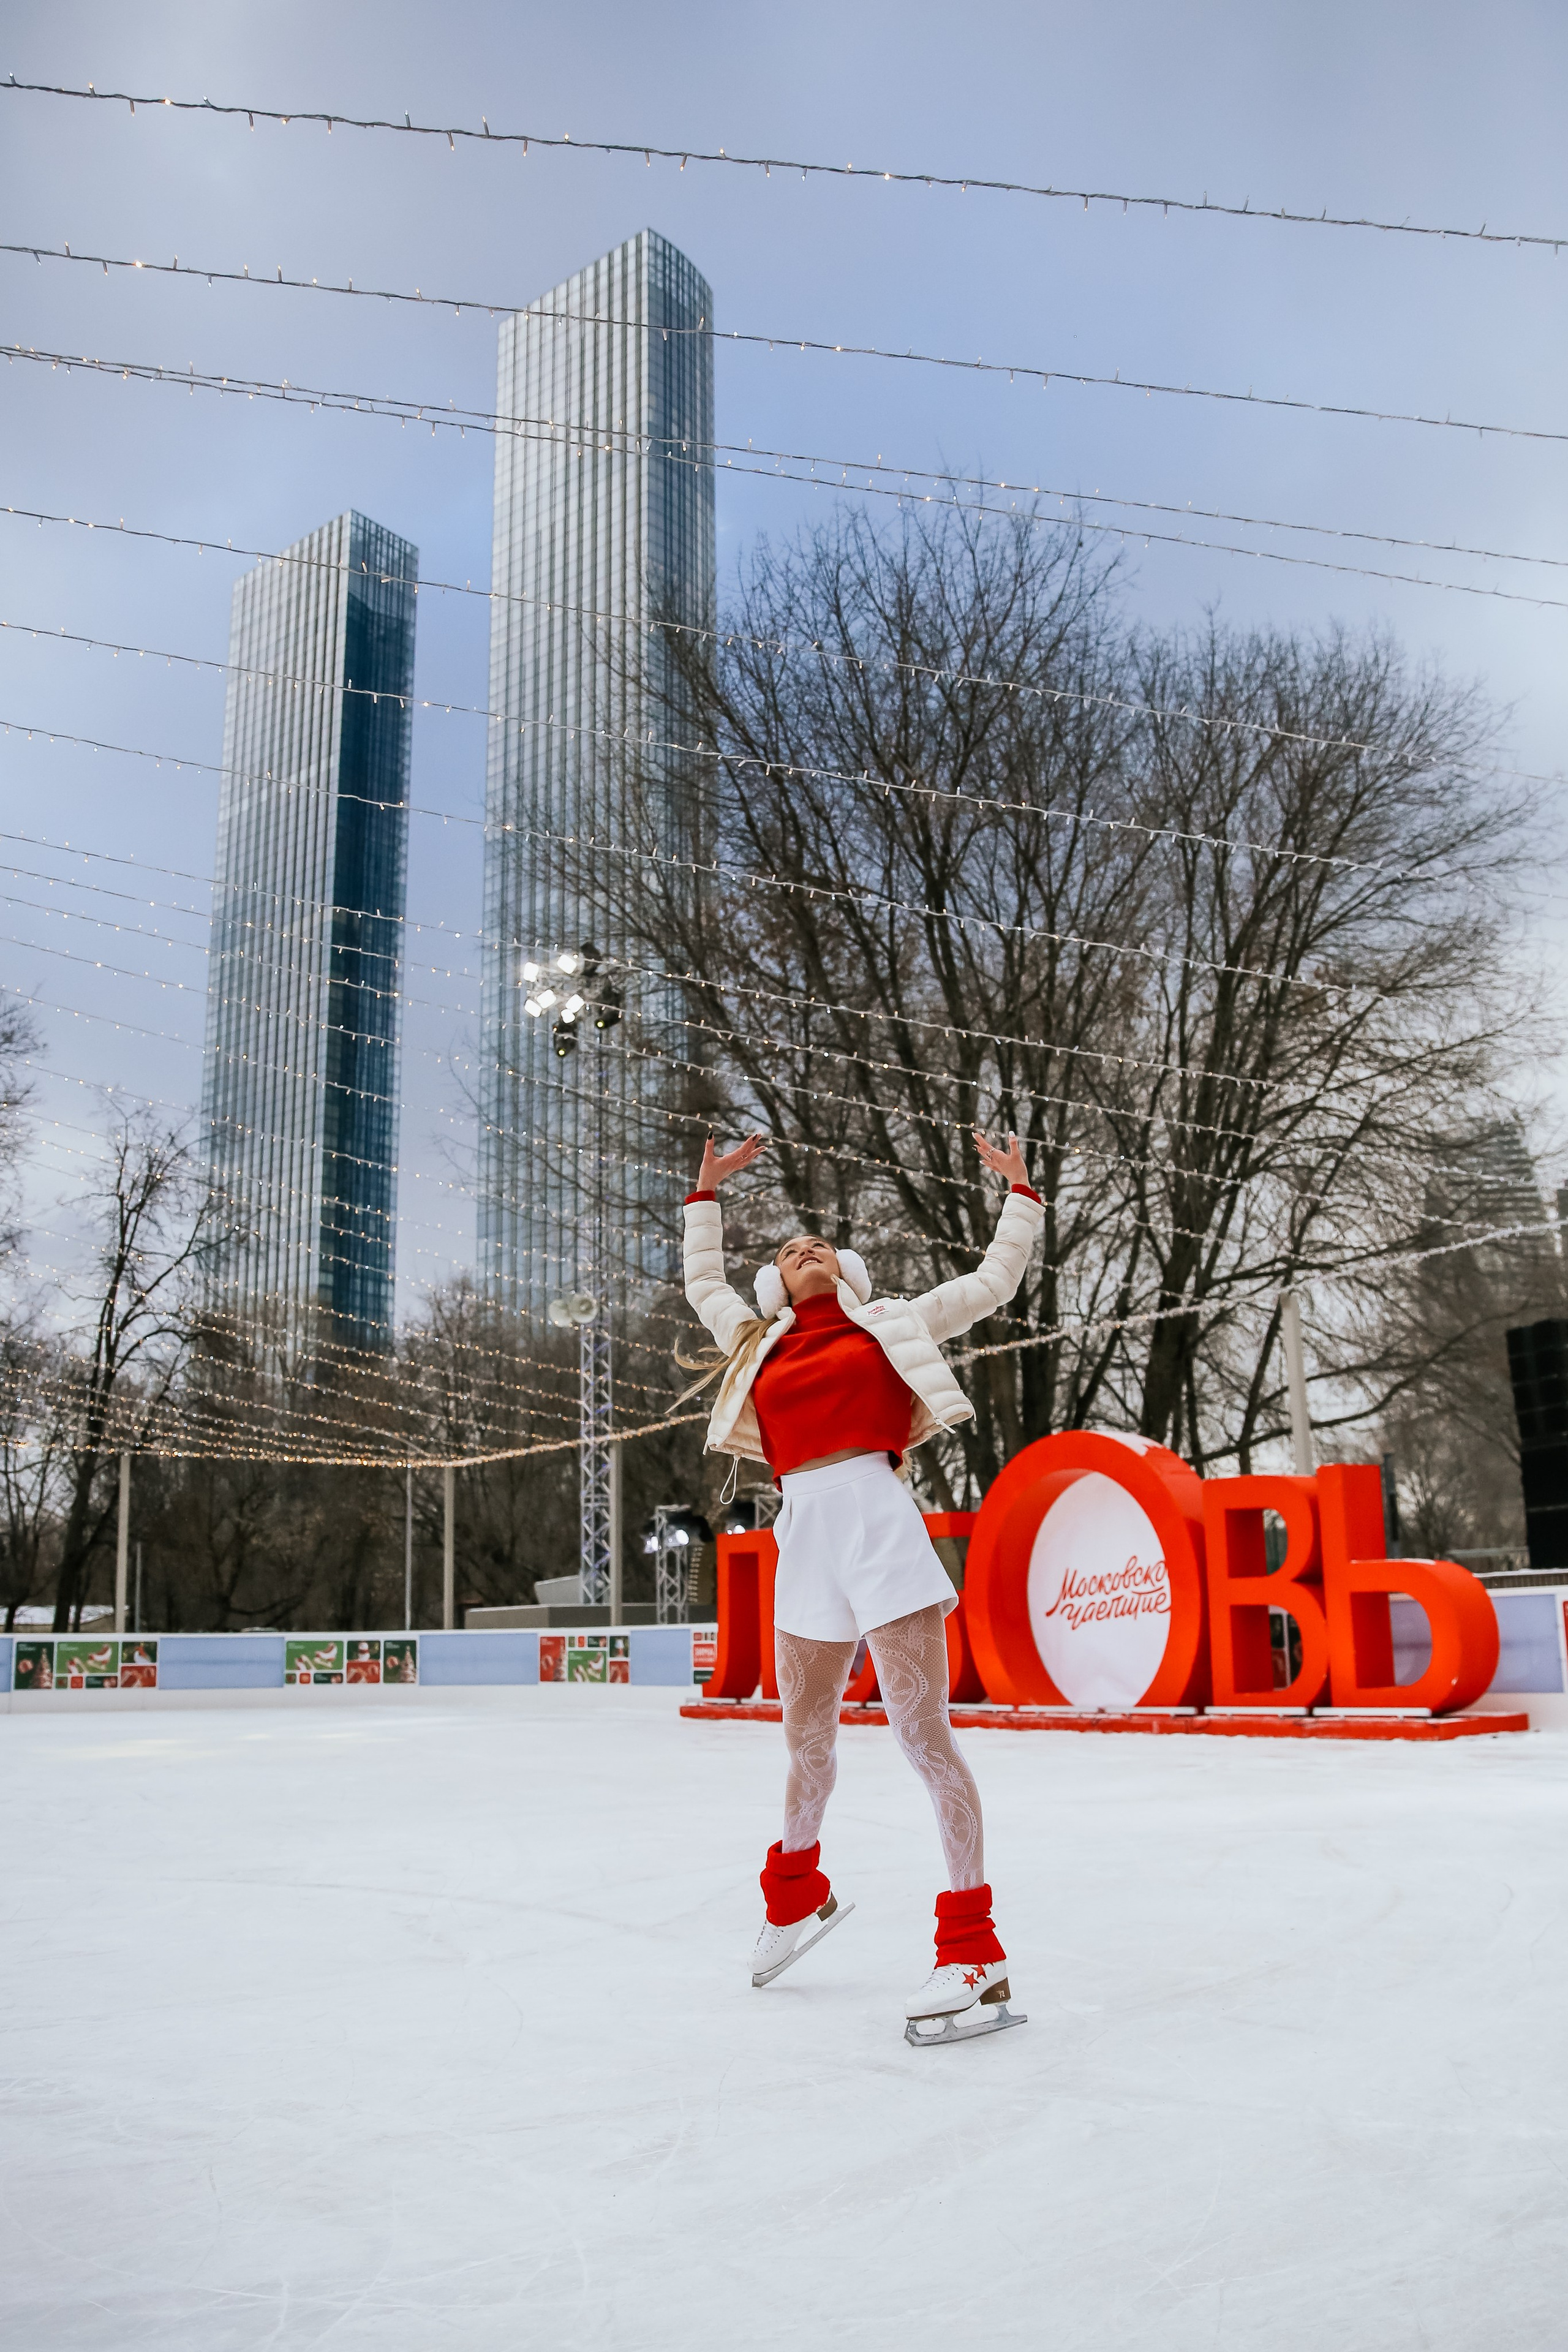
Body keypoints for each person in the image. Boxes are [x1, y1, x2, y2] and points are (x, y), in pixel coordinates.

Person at [682, 1127, 1044, 2041]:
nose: (800, 1249)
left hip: (877, 1523)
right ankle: (797, 1895)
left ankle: (977, 1953)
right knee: (805, 1739)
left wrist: (1020, 1193)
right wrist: (706, 1198)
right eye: (785, 1251)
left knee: (923, 1736)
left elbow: (995, 1284)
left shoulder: (897, 1321)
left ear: (843, 1272)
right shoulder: (755, 1341)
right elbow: (702, 1286)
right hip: (803, 1531)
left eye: (815, 1247)